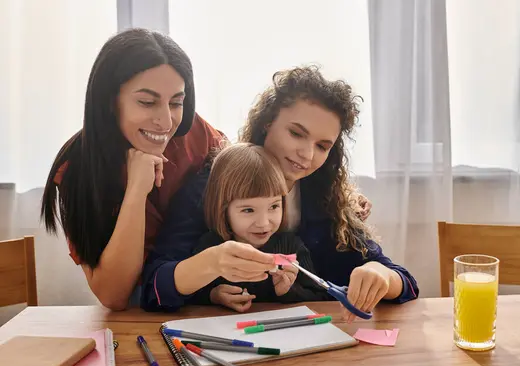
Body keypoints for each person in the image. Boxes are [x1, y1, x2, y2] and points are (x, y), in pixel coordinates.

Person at [142, 66, 419, 322]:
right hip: (227, 339)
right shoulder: (212, 184)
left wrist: (381, 276)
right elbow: (153, 288)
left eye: (323, 146)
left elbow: (405, 283)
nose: (307, 154)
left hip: (316, 347)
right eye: (296, 133)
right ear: (267, 123)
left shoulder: (327, 197)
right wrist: (211, 266)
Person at [40, 28, 224, 311]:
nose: (165, 121)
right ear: (110, 101)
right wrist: (136, 190)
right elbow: (114, 296)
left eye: (176, 102)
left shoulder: (199, 136)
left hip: (209, 294)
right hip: (137, 310)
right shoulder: (78, 166)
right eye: (147, 102)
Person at [141, 143, 328, 312]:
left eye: (273, 207)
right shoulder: (209, 246)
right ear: (223, 209)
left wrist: (288, 291)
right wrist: (214, 295)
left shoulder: (291, 247)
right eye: (248, 210)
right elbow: (190, 297)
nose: (263, 222)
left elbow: (320, 296)